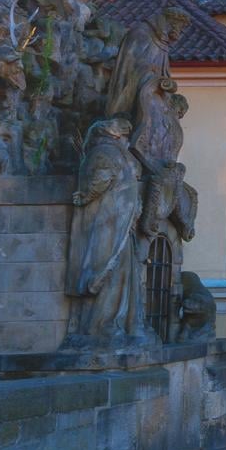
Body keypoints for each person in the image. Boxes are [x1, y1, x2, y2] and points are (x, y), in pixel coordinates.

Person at [66, 116, 145, 349]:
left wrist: (83, 195)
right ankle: (114, 324)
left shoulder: (103, 153)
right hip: (122, 223)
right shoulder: (125, 158)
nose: (127, 141)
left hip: (107, 223)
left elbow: (100, 179)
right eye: (125, 136)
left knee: (100, 268)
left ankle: (100, 326)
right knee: (117, 274)